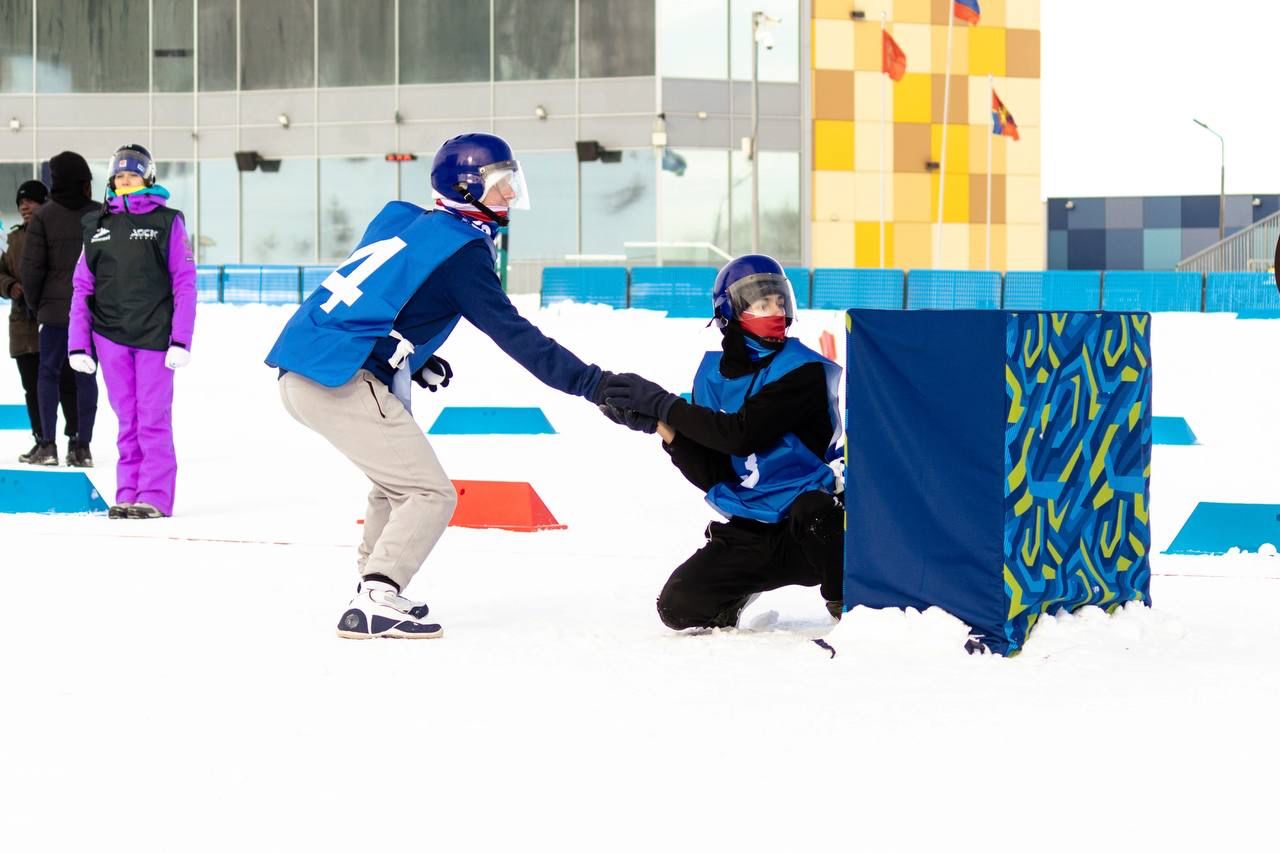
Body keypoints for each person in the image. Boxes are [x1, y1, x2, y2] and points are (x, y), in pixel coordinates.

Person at [266, 131, 618, 640]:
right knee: (429, 493)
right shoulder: (463, 252)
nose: (510, 193)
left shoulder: (406, 222)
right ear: (467, 187)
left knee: (394, 486)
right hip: (339, 377)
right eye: (499, 182)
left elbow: (379, 292)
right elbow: (516, 336)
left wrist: (410, 353)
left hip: (308, 369)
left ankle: (372, 586)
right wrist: (590, 382)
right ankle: (375, 596)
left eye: (512, 180)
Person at [599, 254, 846, 631]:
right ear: (729, 312)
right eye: (762, 303)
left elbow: (741, 434)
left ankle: (847, 601)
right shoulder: (711, 377)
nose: (776, 311)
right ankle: (738, 593)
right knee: (678, 607)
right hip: (754, 524)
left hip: (812, 523)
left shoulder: (803, 370)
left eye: (779, 301)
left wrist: (664, 405)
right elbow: (715, 473)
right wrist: (661, 427)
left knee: (816, 513)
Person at [67, 144, 197, 519]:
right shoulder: (95, 225)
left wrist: (181, 339)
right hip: (110, 336)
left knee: (152, 417)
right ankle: (127, 492)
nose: (125, 181)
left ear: (148, 178)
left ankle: (154, 495)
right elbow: (82, 287)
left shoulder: (167, 222)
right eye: (119, 176)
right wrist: (78, 344)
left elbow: (185, 282)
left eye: (132, 176)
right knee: (127, 419)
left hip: (155, 336)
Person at [20, 151, 101, 467]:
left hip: (52, 315)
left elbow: (31, 270)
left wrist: (37, 305)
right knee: (85, 376)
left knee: (48, 375)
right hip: (91, 313)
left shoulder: (43, 217)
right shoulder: (100, 214)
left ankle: (48, 445)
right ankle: (81, 446)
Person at [0, 179, 82, 463]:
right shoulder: (13, 239)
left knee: (68, 382)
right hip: (23, 325)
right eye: (21, 203)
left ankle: (76, 440)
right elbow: (1, 272)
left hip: (55, 318)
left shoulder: (56, 233)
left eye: (31, 201)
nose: (25, 207)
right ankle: (42, 440)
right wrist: (11, 286)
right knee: (32, 386)